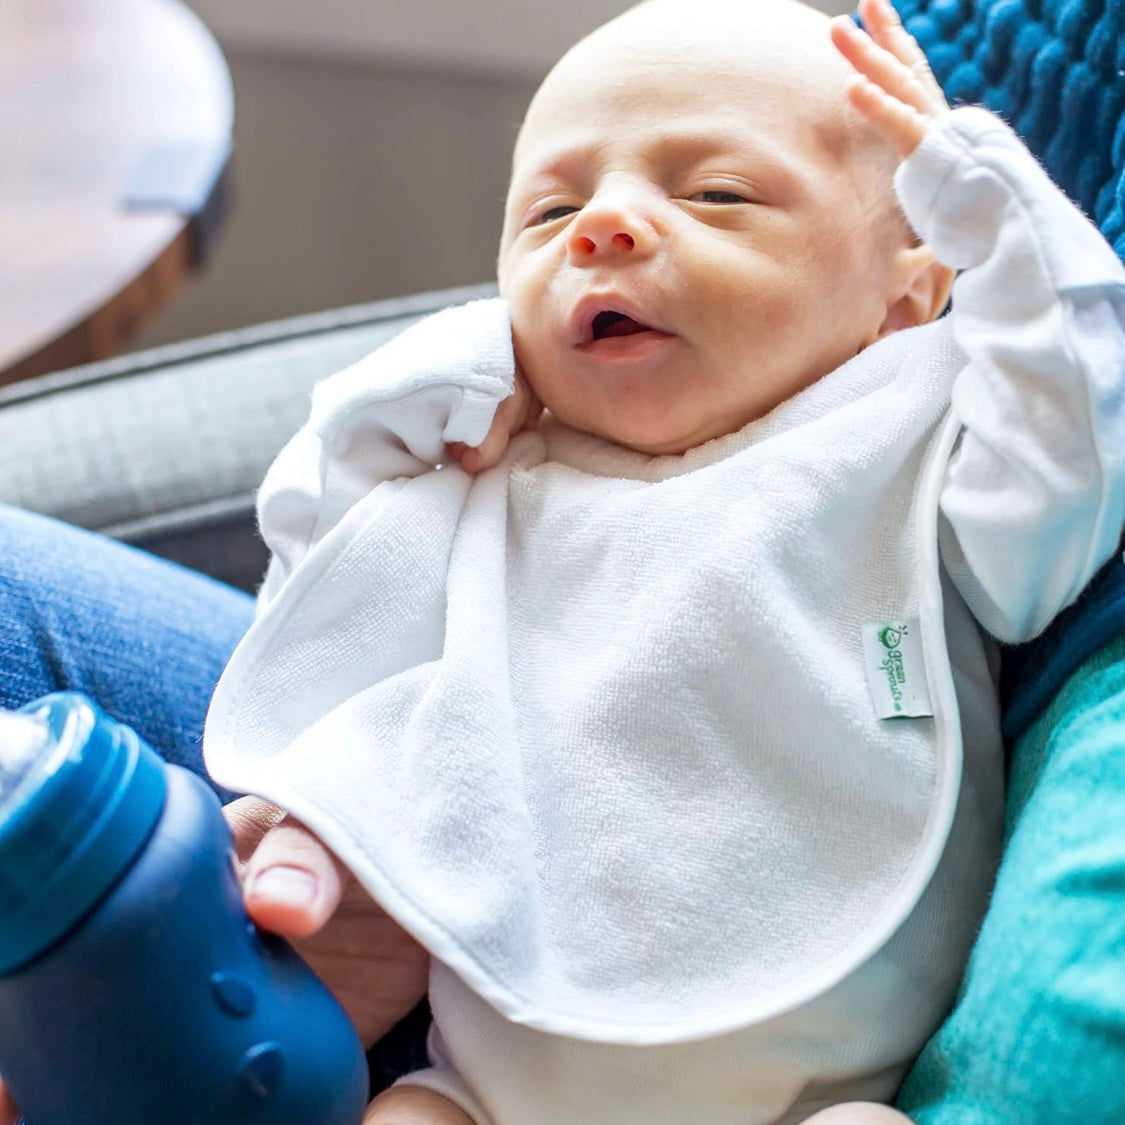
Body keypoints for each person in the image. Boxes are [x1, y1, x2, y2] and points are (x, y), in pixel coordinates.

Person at [0, 2, 1122, 1125]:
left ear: (909, 290)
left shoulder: (912, 438)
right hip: (486, 1081)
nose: (605, 226)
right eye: (551, 209)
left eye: (716, 194)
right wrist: (397, 413)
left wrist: (988, 198)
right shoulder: (500, 462)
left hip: (823, 1091)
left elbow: (1075, 443)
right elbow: (316, 588)